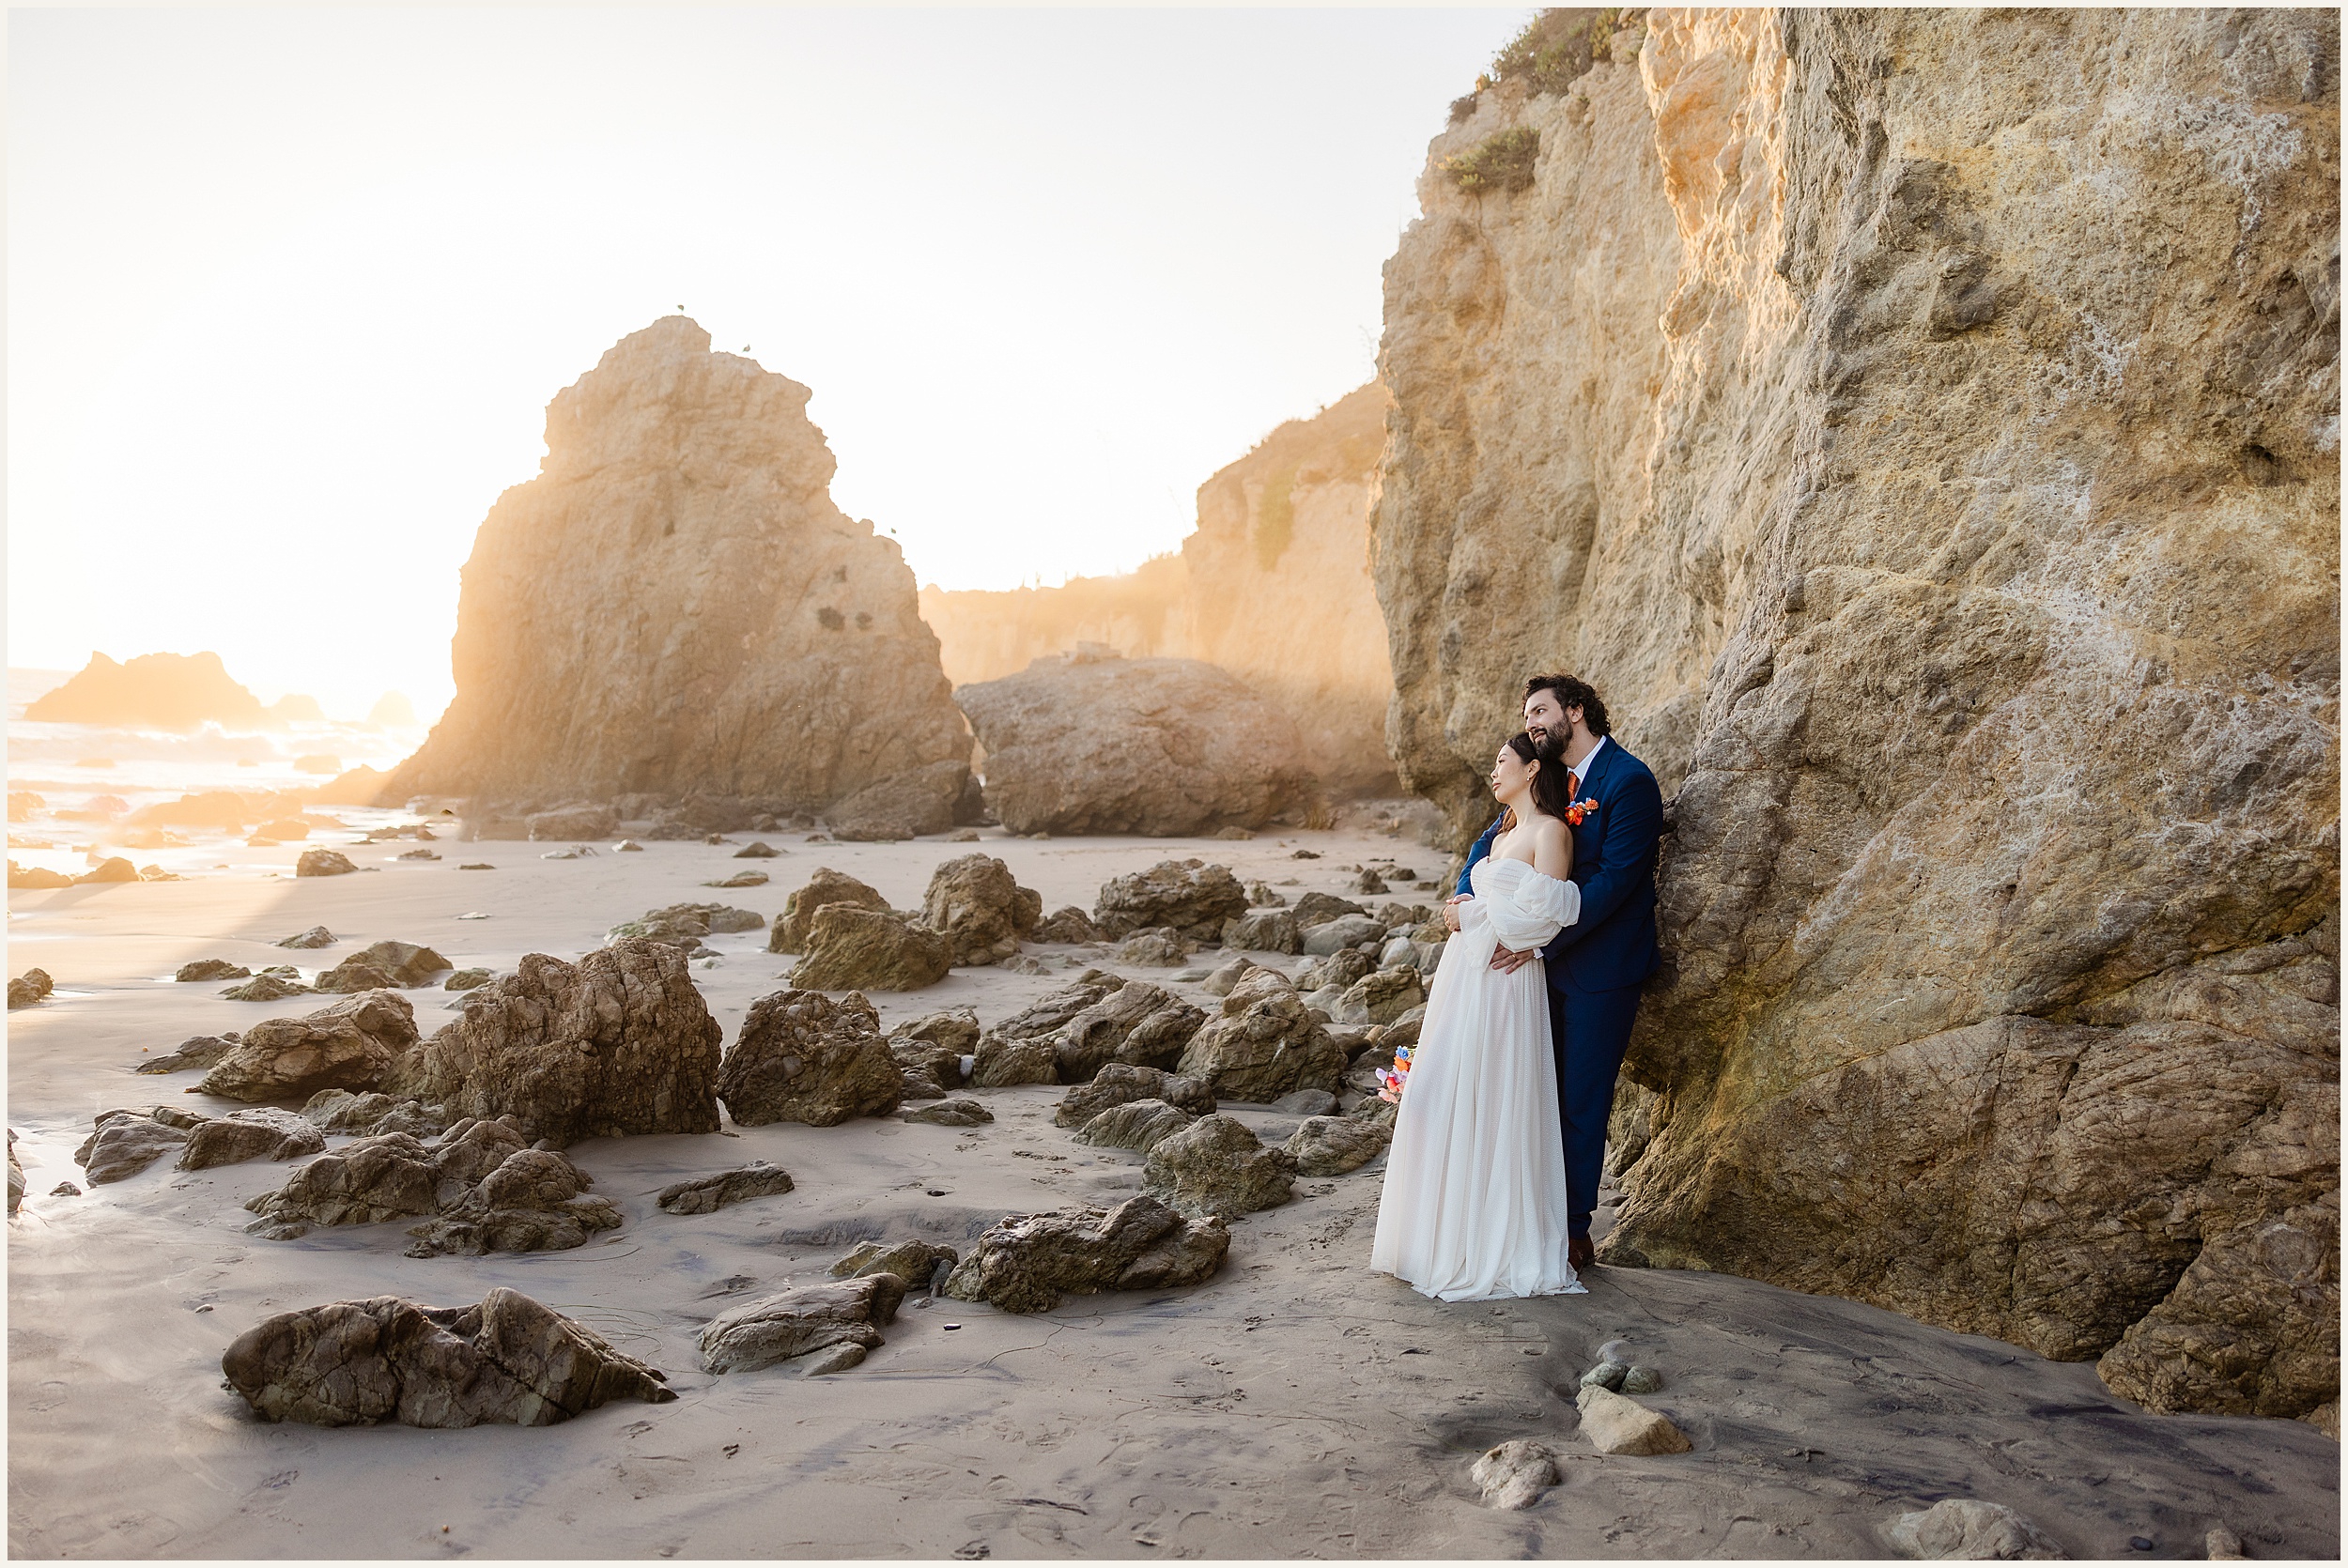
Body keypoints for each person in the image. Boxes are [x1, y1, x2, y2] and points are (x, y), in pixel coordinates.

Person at [1447, 674, 1662, 1272]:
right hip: (1536, 968)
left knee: (1581, 1100)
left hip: (1600, 968)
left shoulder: (1629, 782)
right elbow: (1494, 844)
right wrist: (1465, 900)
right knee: (1534, 1091)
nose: (1533, 722)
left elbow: (1614, 883)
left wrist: (1538, 941)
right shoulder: (1549, 783)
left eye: (1541, 711)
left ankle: (1571, 1232)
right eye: (1527, 715)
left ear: (1576, 710)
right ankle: (1528, 1217)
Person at [1370, 732, 1587, 1301]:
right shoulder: (1502, 835)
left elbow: (1552, 913)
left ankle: (1494, 1239)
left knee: (1498, 1095)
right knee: (1444, 1090)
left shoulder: (1551, 832)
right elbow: (1484, 894)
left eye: (1501, 763)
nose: (1493, 773)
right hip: (1465, 978)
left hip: (1508, 980)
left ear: (1531, 768)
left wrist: (1484, 917)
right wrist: (1460, 908)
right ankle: (1444, 1234)